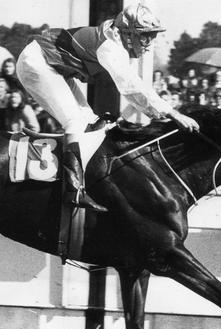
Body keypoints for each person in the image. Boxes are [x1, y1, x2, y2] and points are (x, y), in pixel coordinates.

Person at [16, 3, 199, 212]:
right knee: (75, 121)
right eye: (146, 37)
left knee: (91, 122)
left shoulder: (116, 40)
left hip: (54, 66)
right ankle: (72, 189)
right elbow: (132, 87)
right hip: (37, 62)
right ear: (129, 35)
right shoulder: (110, 47)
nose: (149, 44)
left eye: (152, 37)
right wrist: (172, 113)